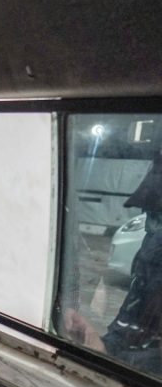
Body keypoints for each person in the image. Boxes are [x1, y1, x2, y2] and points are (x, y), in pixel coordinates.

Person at [65, 156, 162, 375]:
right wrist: (102, 346)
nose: (149, 227)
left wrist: (109, 354)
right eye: (148, 214)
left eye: (158, 217)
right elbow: (128, 324)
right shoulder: (149, 254)